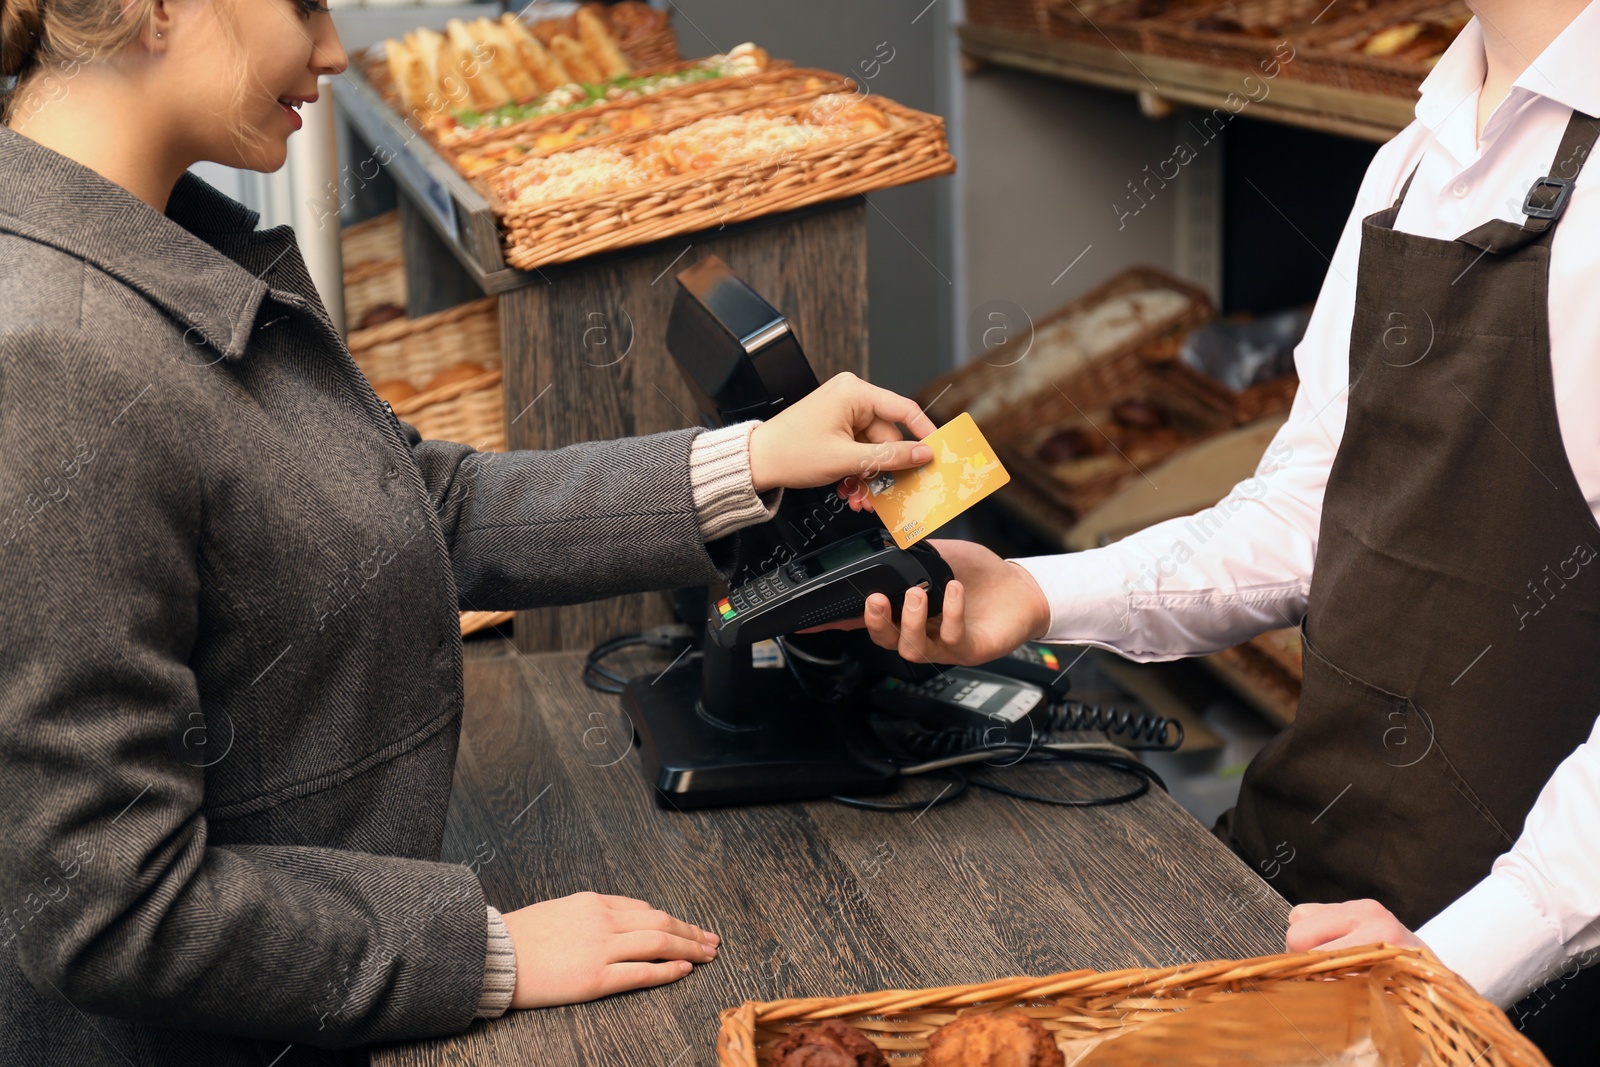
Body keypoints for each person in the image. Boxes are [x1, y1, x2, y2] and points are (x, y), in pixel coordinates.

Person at [0, 0, 939, 1063]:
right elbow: (111, 907)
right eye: (304, 4)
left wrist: (752, 459)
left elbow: (419, 506)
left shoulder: (156, 244)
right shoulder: (54, 353)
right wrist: (482, 953)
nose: (334, 51)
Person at [843, 0, 1600, 1061]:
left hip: (1503, 984)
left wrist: (1459, 957)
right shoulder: (1410, 160)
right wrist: (1040, 593)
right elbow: (1307, 513)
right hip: (1301, 883)